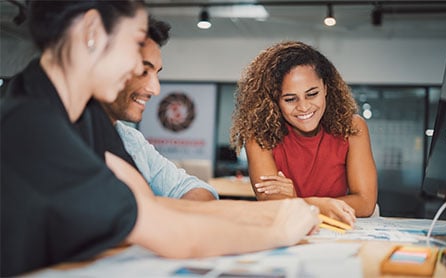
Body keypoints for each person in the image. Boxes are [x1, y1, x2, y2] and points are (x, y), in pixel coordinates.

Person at [0, 2, 319, 276]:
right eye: (135, 43)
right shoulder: (31, 123)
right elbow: (173, 234)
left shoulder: (84, 114)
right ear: (92, 31)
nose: (148, 81)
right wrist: (279, 230)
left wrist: (272, 213)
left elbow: (150, 205)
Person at [230, 41, 378, 226]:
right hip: (290, 230)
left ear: (325, 87)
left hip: (338, 229)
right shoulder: (258, 135)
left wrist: (298, 200)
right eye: (290, 99)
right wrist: (321, 204)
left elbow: (365, 203)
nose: (304, 107)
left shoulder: (353, 127)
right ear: (274, 101)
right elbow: (271, 205)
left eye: (312, 94)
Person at [101, 17, 218, 201]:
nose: (155, 89)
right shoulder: (63, 138)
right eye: (143, 71)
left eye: (156, 73)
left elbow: (194, 188)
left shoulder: (131, 140)